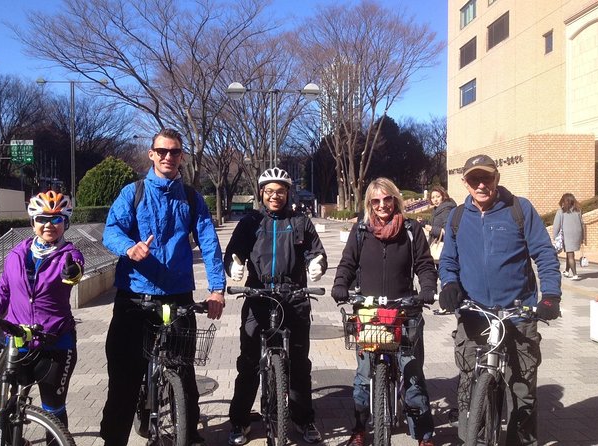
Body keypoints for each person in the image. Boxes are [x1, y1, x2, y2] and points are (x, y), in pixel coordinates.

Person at [100, 128, 226, 446]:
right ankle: (113, 439)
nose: (169, 156)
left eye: (175, 152)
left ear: (181, 156)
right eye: (163, 151)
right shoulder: (134, 192)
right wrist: (130, 247)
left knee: (183, 373)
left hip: (177, 296)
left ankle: (188, 432)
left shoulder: (192, 199)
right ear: (152, 154)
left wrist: (217, 288)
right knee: (124, 379)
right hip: (134, 297)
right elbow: (111, 231)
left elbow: (209, 243)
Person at [438, 154, 561, 445]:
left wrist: (551, 296)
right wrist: (449, 285)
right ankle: (476, 438)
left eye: (487, 178)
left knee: (522, 392)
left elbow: (544, 253)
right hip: (475, 314)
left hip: (517, 315)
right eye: (473, 179)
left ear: (497, 178)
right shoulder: (457, 217)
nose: (481, 185)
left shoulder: (519, 209)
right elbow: (448, 260)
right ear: (465, 183)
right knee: (470, 385)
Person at [224, 167, 327, 445]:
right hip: (258, 296)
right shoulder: (250, 222)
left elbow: (315, 252)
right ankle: (240, 421)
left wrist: (317, 263)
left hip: (293, 297)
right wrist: (233, 264)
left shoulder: (300, 221)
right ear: (261, 193)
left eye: (280, 191)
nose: (275, 196)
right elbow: (234, 252)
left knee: (299, 365)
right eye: (269, 191)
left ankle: (303, 419)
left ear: (287, 193)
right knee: (248, 364)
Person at [331, 177, 437, 446]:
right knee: (363, 376)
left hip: (404, 309)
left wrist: (427, 288)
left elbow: (425, 265)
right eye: (375, 200)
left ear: (395, 199)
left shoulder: (411, 230)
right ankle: (358, 429)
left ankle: (423, 433)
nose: (382, 205)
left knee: (411, 373)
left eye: (387, 199)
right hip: (369, 311)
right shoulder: (361, 232)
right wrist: (340, 284)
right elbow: (347, 263)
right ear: (369, 203)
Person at [0, 190, 84, 428]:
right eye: (42, 218)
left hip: (56, 344)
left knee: (53, 410)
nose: (49, 225)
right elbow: (3, 292)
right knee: (5, 407)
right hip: (18, 342)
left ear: (65, 223)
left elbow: (75, 270)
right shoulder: (16, 255)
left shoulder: (69, 254)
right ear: (33, 222)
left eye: (56, 219)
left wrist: (73, 272)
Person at [553, 193, 584, 280]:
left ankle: (575, 275)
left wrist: (555, 236)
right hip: (577, 234)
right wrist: (583, 237)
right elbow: (582, 224)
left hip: (568, 235)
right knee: (569, 253)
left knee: (570, 255)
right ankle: (566, 271)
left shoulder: (561, 212)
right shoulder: (578, 210)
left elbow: (556, 225)